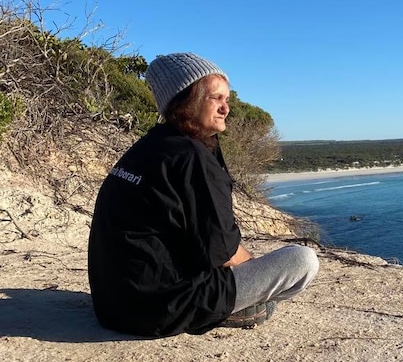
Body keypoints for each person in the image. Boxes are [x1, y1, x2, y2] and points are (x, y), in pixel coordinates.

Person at [88, 52, 319, 336]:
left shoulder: (147, 147)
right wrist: (254, 274)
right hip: (160, 309)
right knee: (302, 260)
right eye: (216, 99)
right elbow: (223, 251)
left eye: (227, 100)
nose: (226, 109)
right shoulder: (191, 157)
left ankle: (235, 303)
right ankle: (234, 309)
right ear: (186, 101)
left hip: (112, 307)